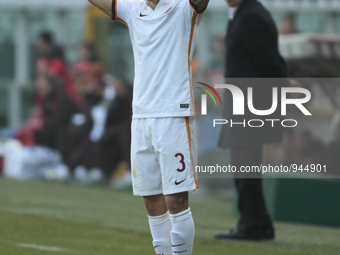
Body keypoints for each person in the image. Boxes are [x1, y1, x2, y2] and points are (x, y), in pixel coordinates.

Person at [88, 0, 209, 253]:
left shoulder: (184, 7)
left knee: (176, 198)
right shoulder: (133, 8)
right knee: (151, 199)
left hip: (174, 114)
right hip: (141, 116)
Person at [215, 0, 288, 241]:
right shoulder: (244, 13)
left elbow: (269, 61)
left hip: (251, 104)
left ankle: (253, 224)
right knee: (245, 167)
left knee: (246, 168)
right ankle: (259, 223)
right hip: (246, 102)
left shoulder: (250, 16)